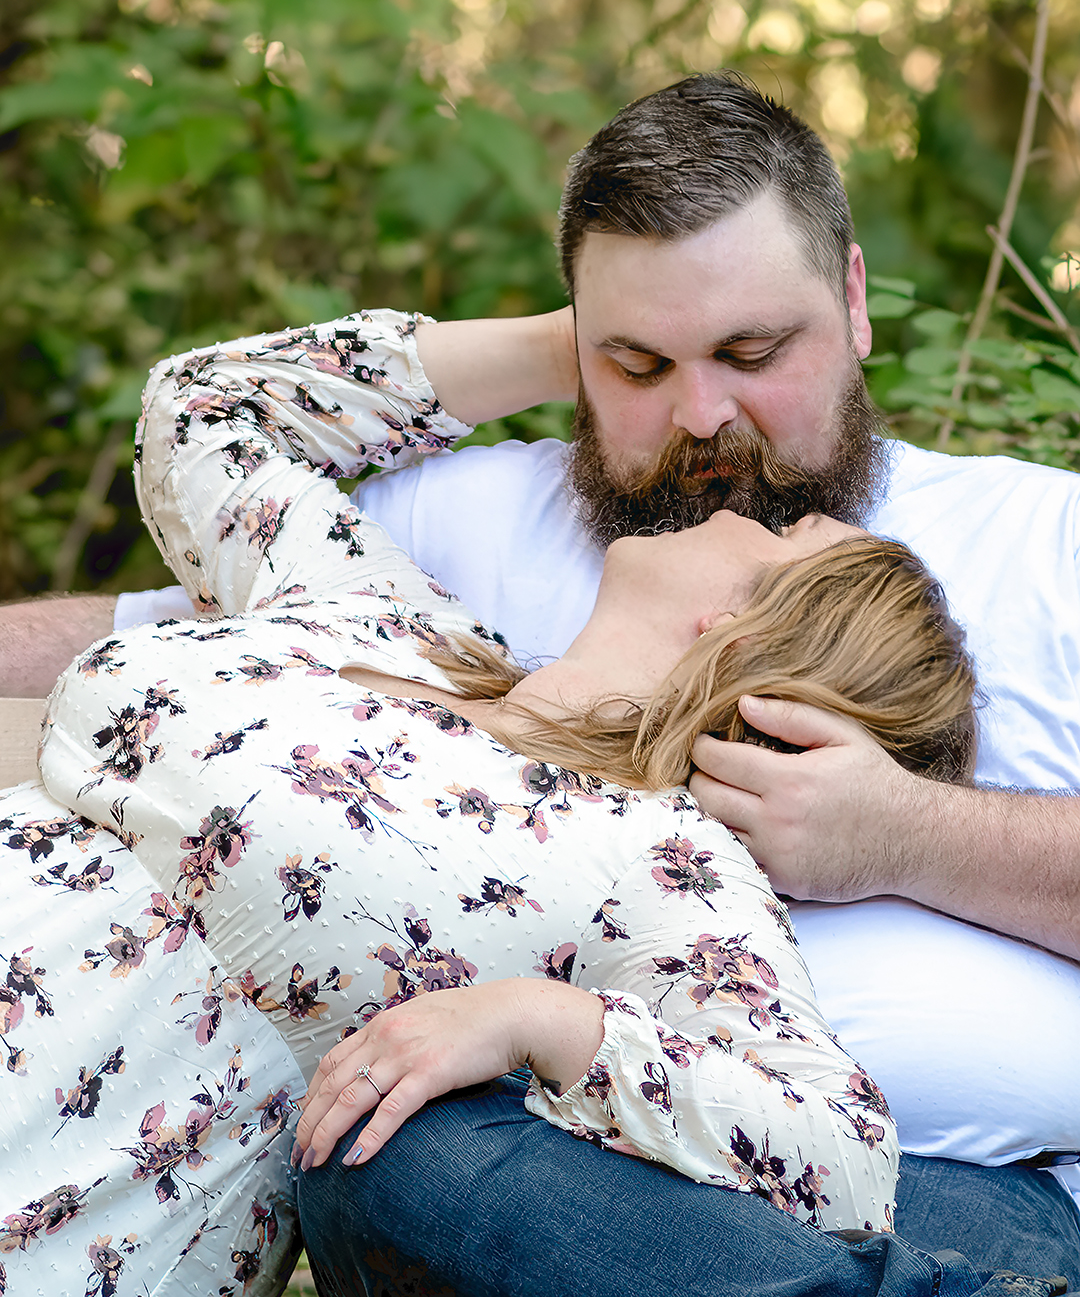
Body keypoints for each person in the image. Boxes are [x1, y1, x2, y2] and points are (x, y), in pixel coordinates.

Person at [2, 71, 1080, 1281]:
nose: (702, 418)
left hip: (967, 1197)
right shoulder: (413, 596)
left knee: (410, 1153)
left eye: (748, 348)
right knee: (400, 1161)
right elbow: (197, 447)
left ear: (854, 301)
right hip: (400, 1107)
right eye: (638, 364)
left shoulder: (1041, 545)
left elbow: (834, 1152)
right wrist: (563, 344)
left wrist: (910, 835)